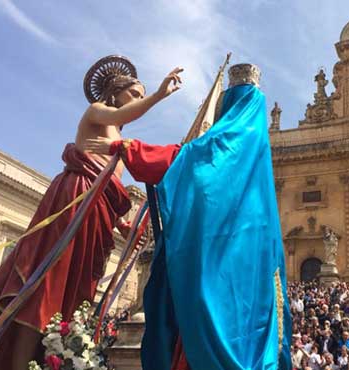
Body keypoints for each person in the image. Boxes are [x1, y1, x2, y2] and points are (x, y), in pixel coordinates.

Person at [0, 55, 183, 370]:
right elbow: (128, 116)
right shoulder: (96, 112)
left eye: (142, 95)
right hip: (75, 199)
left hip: (97, 213)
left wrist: (122, 227)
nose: (138, 99)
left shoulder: (118, 141)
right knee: (47, 288)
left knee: (73, 298)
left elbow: (110, 186)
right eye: (135, 93)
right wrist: (158, 96)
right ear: (115, 91)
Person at [86, 63, 292, 370]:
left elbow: (191, 162)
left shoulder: (228, 143)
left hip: (218, 273)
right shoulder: (258, 158)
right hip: (255, 277)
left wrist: (126, 147)